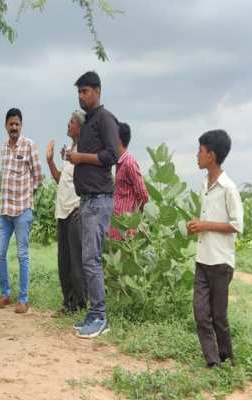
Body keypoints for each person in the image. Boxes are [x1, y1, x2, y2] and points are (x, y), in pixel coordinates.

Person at [65, 71, 119, 338]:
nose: (81, 96)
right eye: (79, 92)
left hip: (99, 199)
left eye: (85, 91)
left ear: (97, 90)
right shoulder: (87, 122)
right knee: (89, 259)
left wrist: (81, 158)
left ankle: (100, 316)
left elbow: (112, 155)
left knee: (92, 259)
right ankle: (94, 313)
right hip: (87, 199)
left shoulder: (105, 119)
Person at [187, 129, 243, 368]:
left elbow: (236, 225)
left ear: (211, 155)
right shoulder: (204, 184)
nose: (196, 155)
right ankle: (212, 362)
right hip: (203, 259)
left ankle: (227, 358)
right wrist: (197, 227)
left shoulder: (228, 188)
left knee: (218, 316)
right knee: (200, 313)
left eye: (200, 151)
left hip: (221, 263)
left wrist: (205, 225)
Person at [0, 108, 44, 314]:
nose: (14, 128)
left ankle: (23, 299)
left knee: (22, 255)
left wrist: (27, 195)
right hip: (5, 211)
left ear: (21, 126)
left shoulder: (29, 145)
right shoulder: (4, 147)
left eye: (17, 124)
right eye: (11, 124)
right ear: (6, 125)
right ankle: (5, 294)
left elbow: (39, 177)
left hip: (23, 209)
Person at [46, 110, 87, 316]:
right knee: (64, 262)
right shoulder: (70, 151)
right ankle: (69, 303)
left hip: (75, 213)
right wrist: (50, 161)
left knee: (76, 262)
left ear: (79, 128)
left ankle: (81, 304)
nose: (68, 124)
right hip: (62, 213)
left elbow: (90, 181)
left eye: (71, 122)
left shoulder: (83, 153)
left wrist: (83, 205)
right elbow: (61, 180)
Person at [109, 122, 149, 240]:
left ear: (118, 139)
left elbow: (143, 195)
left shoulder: (129, 162)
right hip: (118, 226)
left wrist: (136, 222)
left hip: (127, 227)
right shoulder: (119, 163)